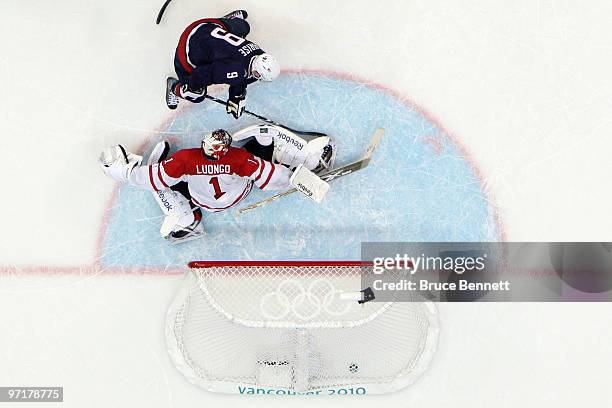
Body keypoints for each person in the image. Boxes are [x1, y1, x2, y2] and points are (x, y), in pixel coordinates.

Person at [99, 125, 334, 243]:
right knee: (261, 146)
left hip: (202, 201)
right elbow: (274, 177)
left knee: (167, 177)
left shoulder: (185, 159)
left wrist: (123, 172)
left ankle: (189, 220)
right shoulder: (239, 158)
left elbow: (151, 179)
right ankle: (298, 158)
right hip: (237, 194)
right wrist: (303, 181)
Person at [165, 10, 280, 119]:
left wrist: (237, 96)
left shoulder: (259, 54)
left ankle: (230, 20)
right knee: (196, 95)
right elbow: (204, 74)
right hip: (189, 44)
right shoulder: (237, 70)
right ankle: (174, 87)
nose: (258, 78)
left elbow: (242, 74)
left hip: (209, 25)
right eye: (259, 76)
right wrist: (191, 85)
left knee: (244, 27)